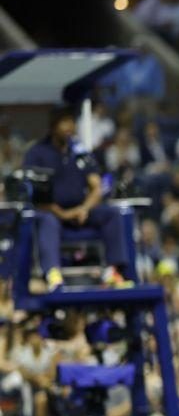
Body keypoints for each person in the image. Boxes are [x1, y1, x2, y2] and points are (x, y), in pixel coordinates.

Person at [22, 108, 132, 291]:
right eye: (63, 122)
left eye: (71, 122)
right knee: (47, 220)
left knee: (112, 214)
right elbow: (36, 195)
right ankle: (53, 274)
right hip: (52, 212)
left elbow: (96, 186)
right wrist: (64, 214)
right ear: (53, 126)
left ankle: (113, 271)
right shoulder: (37, 153)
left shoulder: (79, 151)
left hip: (80, 211)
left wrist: (84, 209)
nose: (68, 127)